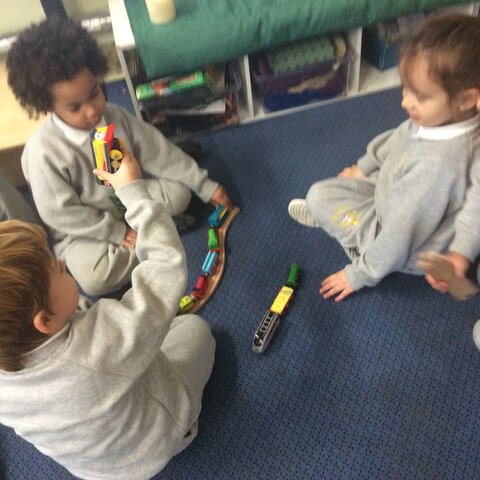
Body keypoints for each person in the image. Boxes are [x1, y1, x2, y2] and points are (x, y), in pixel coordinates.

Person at [0, 147, 216, 480]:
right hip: (164, 438)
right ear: (44, 321)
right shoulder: (101, 342)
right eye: (57, 270)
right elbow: (164, 268)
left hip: (94, 470)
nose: (61, 262)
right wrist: (134, 192)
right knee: (194, 328)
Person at [6, 15, 232, 297]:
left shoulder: (115, 116)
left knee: (181, 195)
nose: (92, 111)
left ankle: (153, 232)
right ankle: (157, 236)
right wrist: (116, 232)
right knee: (94, 279)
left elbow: (156, 150)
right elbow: (63, 216)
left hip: (127, 197)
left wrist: (204, 185)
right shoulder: (42, 155)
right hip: (87, 227)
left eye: (95, 93)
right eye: (75, 107)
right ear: (47, 106)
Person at [288, 13, 480, 302]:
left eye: (419, 96)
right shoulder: (442, 117)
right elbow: (400, 136)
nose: (405, 101)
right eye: (406, 88)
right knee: (322, 193)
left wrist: (358, 275)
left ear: (466, 99)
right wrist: (363, 167)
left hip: (409, 240)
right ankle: (361, 237)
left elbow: (400, 234)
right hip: (395, 193)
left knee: (318, 200)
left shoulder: (437, 168)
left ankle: (367, 255)